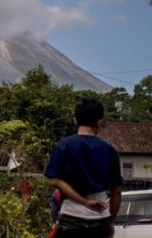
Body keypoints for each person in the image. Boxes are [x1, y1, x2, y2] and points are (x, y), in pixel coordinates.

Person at [44, 98, 123, 238]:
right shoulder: (110, 151)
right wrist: (111, 221)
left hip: (70, 217)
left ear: (75, 120)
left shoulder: (63, 146)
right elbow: (116, 191)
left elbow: (57, 181)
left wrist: (84, 202)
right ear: (99, 122)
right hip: (100, 220)